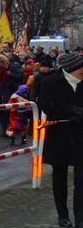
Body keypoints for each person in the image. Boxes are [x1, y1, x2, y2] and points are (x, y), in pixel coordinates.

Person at [40, 53, 83, 228]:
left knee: (81, 178)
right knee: (60, 176)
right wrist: (72, 111)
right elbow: (47, 106)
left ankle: (80, 217)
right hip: (59, 135)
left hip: (80, 135)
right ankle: (63, 214)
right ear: (74, 69)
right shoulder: (50, 82)